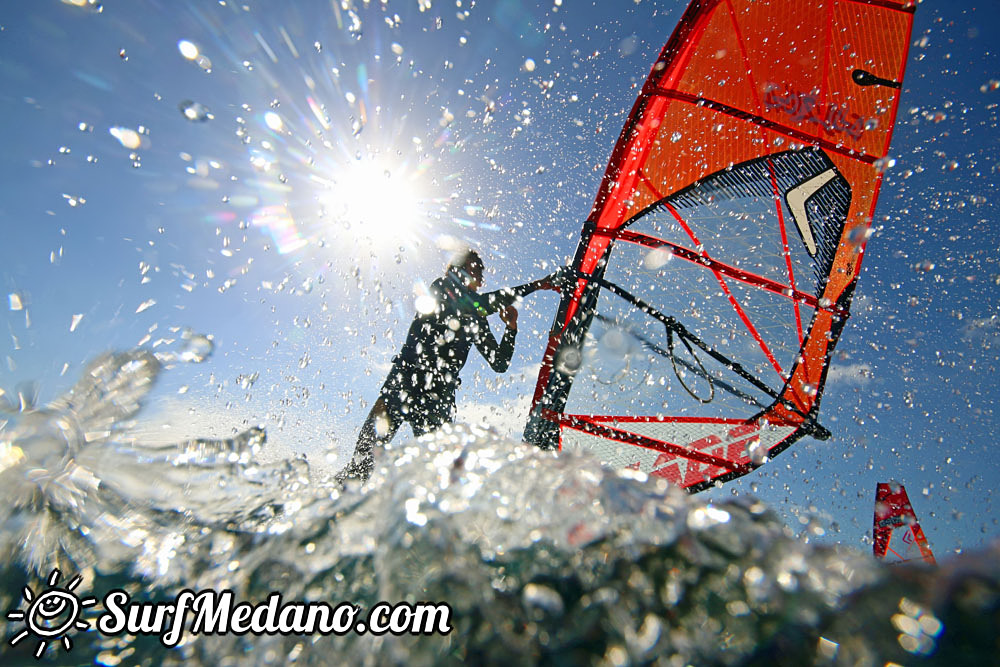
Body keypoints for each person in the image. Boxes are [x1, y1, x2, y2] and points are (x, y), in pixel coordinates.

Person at [338, 249, 559, 482]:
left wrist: (511, 328)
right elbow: (481, 303)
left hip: (439, 396)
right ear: (454, 271)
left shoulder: (476, 316)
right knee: (361, 462)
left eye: (478, 271)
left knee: (438, 480)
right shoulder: (442, 288)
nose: (475, 274)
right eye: (470, 268)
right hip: (405, 381)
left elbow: (499, 362)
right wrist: (538, 285)